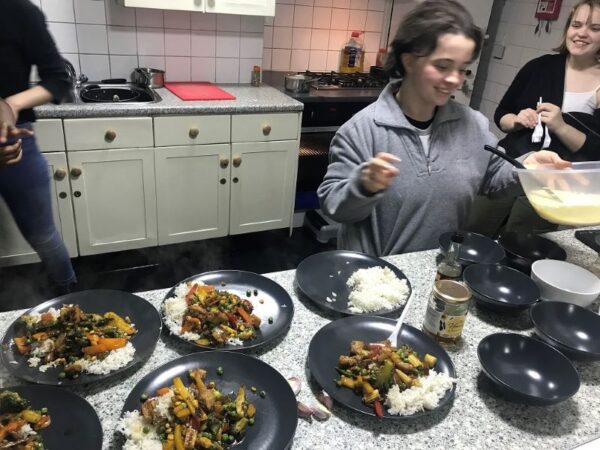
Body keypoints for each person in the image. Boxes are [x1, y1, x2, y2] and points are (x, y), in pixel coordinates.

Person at [317, 0, 570, 257]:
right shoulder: (362, 131)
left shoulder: (473, 125)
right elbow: (334, 206)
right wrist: (363, 186)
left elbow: (493, 179)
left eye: (463, 69)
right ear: (408, 60)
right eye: (442, 66)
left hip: (441, 268)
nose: (455, 80)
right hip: (375, 280)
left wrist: (528, 168)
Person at [468, 0, 600, 237]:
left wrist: (560, 126)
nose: (581, 33)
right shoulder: (538, 67)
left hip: (551, 186)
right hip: (510, 167)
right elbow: (502, 115)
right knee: (473, 232)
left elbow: (596, 152)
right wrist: (516, 120)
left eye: (595, 28)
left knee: (521, 248)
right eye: (576, 25)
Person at [0, 0, 76, 293]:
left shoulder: (18, 11)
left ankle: (70, 296)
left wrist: (11, 104)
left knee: (43, 235)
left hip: (15, 141)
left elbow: (58, 79)